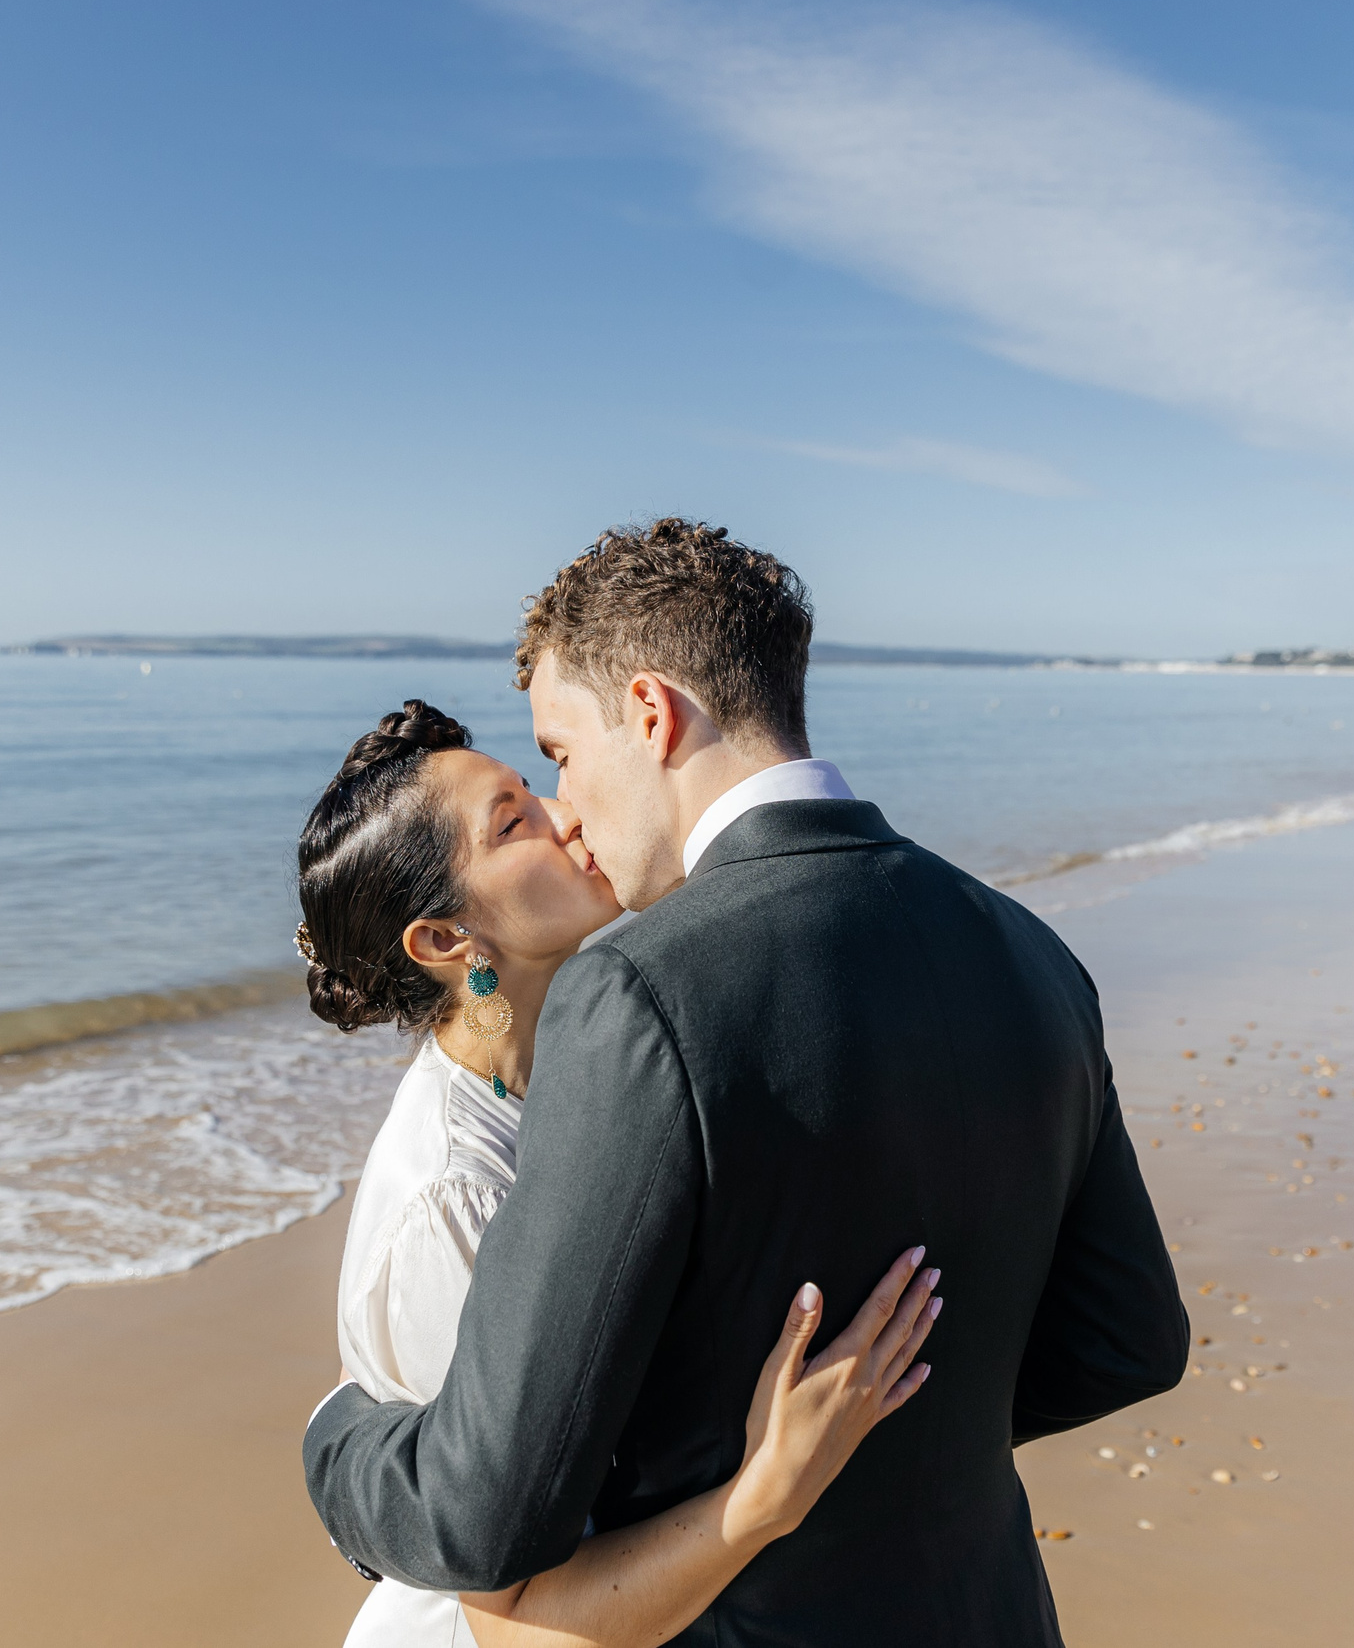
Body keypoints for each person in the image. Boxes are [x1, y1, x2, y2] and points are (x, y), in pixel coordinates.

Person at [306, 520, 1190, 1646]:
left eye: (560, 755)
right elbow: (1129, 1343)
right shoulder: (1029, 950)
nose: (565, 806)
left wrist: (335, 1444)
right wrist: (910, 1427)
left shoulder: (637, 993)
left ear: (649, 712)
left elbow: (482, 1519)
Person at [296, 701, 940, 1647]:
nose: (568, 813)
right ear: (445, 941)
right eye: (514, 821)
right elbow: (515, 1620)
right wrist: (765, 1491)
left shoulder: (584, 1068)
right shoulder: (454, 1197)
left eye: (536, 783)